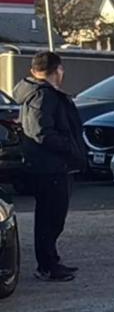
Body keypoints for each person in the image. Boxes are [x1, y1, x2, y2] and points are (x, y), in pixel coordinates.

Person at [11, 51, 84, 282]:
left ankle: (51, 260)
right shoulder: (43, 95)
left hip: (49, 164)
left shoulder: (34, 92)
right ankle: (48, 266)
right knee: (51, 217)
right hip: (50, 166)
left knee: (50, 216)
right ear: (58, 70)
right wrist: (69, 147)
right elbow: (40, 131)